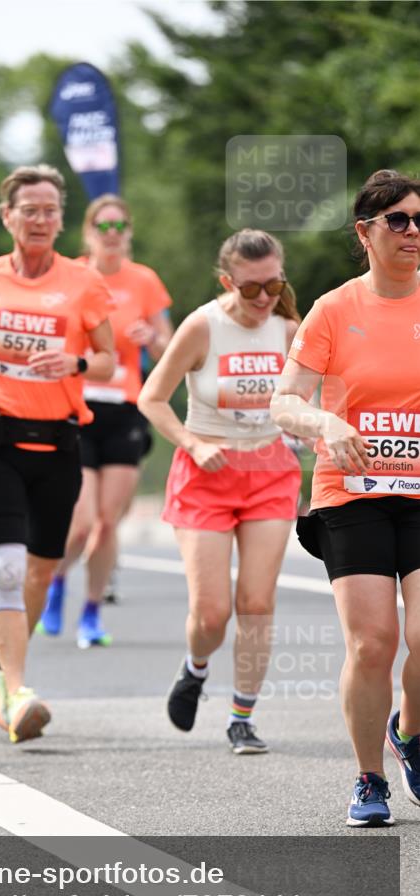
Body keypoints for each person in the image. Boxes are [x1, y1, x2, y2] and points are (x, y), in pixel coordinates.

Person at [271, 170, 420, 827]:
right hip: (349, 493)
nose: (412, 231)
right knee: (373, 644)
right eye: (398, 220)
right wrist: (325, 423)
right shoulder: (334, 310)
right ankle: (368, 779)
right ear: (364, 233)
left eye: (419, 220)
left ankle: (408, 732)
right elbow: (283, 401)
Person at [0, 164, 114, 743]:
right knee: (6, 566)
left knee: (43, 566)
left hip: (60, 438)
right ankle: (17, 691)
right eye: (30, 209)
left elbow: (110, 360)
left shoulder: (84, 282)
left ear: (61, 218)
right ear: (8, 216)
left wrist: (76, 364)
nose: (41, 219)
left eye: (50, 210)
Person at [138, 229, 301, 754]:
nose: (265, 299)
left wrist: (307, 425)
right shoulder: (202, 326)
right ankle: (195, 666)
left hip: (270, 470)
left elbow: (312, 396)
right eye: (252, 289)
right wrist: (191, 441)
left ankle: (242, 717)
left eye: (274, 285)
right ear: (228, 281)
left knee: (256, 602)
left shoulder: (289, 330)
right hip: (205, 472)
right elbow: (153, 398)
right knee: (211, 613)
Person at [38, 194, 173, 647]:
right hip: (78, 407)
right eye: (103, 226)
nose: (111, 234)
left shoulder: (145, 281)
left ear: (128, 233)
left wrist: (151, 337)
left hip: (124, 411)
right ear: (89, 233)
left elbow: (169, 349)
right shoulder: (71, 277)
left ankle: (92, 612)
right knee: (78, 524)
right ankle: (56, 584)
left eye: (119, 225)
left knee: (108, 524)